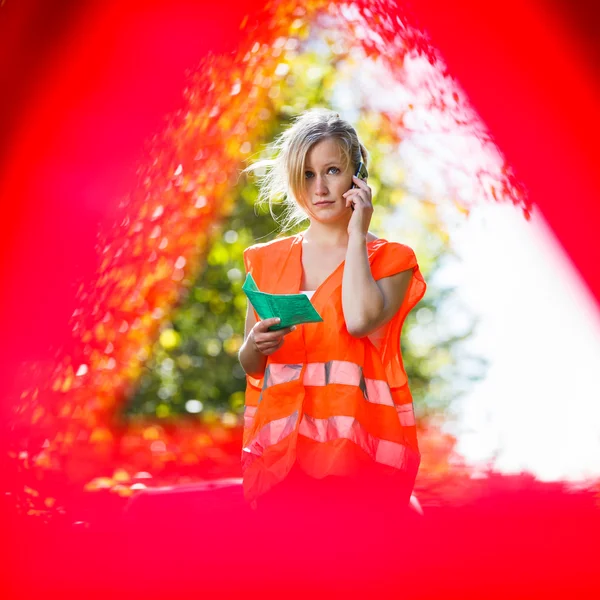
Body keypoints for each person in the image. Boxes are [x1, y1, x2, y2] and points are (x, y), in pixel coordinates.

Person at [237, 108, 426, 533]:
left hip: (358, 459)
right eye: (306, 174)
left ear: (357, 174)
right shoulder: (264, 262)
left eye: (332, 170)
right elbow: (251, 365)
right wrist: (253, 348)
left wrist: (358, 234)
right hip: (283, 459)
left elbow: (360, 321)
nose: (319, 188)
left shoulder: (391, 260)